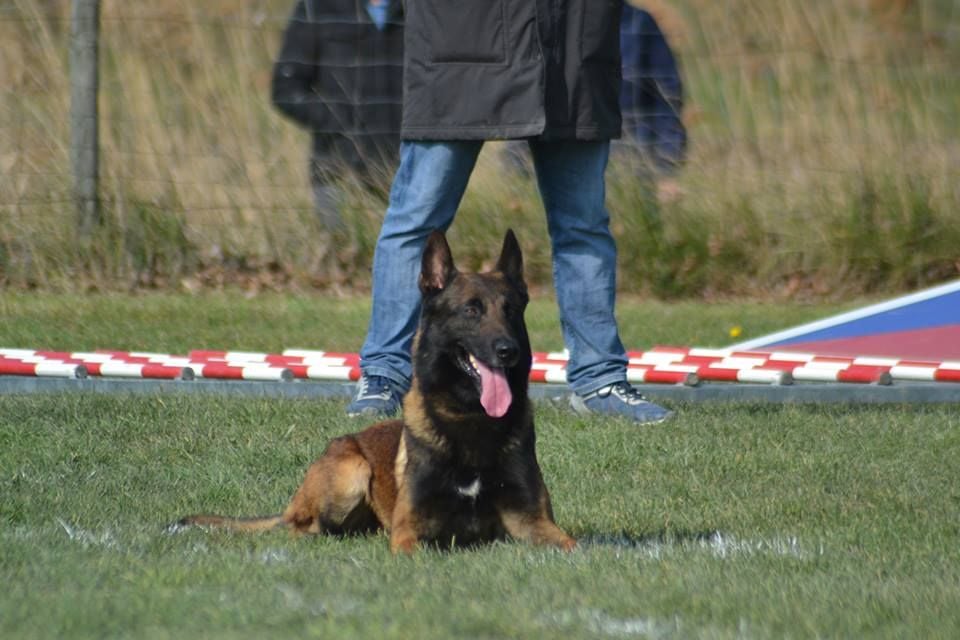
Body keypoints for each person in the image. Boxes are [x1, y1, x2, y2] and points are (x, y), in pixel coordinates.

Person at [346, 0, 673, 425]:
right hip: (457, 50)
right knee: (416, 223)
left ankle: (600, 379)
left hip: (572, 50)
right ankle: (384, 374)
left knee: (584, 228)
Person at [271, 0, 404, 230]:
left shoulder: (420, 10)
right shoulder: (318, 7)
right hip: (337, 171)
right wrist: (336, 119)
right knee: (340, 251)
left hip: (405, 174)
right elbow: (286, 89)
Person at [617, 2, 686, 204]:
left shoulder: (637, 24)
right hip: (561, 168)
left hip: (634, 168)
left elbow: (666, 102)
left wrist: (665, 169)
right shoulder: (543, 22)